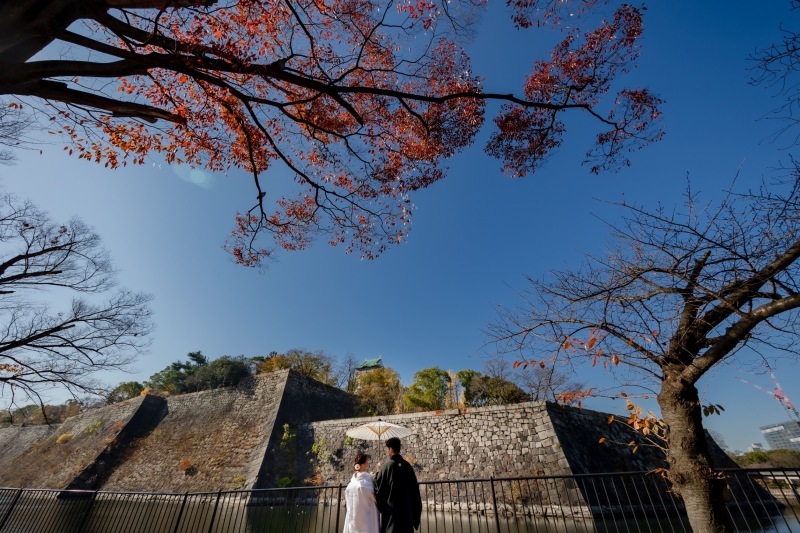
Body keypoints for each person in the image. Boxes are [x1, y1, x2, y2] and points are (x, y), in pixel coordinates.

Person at [374, 437, 422, 533]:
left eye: (388, 449)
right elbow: (415, 492)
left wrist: (378, 472)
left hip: (392, 515)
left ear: (391, 449)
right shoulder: (408, 466)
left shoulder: (387, 466)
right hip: (406, 513)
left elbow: (378, 489)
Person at [344, 451, 380, 533]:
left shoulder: (352, 481)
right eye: (367, 460)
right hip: (366, 517)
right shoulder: (366, 479)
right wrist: (378, 471)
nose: (368, 462)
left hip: (353, 515)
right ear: (363, 464)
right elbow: (374, 495)